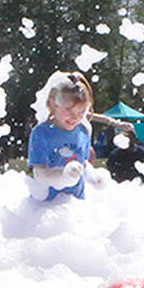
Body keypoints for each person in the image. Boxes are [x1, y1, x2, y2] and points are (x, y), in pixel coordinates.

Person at [28, 72, 95, 201]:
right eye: (69, 110)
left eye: (81, 112)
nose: (75, 117)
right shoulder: (42, 133)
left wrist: (95, 177)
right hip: (45, 206)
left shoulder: (83, 131)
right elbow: (40, 174)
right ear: (53, 104)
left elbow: (84, 164)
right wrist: (63, 176)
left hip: (75, 204)